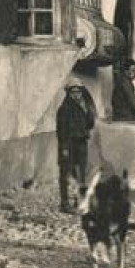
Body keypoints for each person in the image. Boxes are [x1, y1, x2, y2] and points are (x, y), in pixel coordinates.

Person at [56, 79, 96, 213]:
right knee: (66, 174)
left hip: (81, 143)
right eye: (73, 92)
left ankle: (77, 202)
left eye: (78, 91)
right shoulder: (64, 109)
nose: (76, 95)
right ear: (68, 93)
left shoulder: (82, 107)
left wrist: (89, 109)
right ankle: (65, 203)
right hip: (69, 144)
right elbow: (62, 131)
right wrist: (64, 148)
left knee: (80, 174)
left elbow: (90, 124)